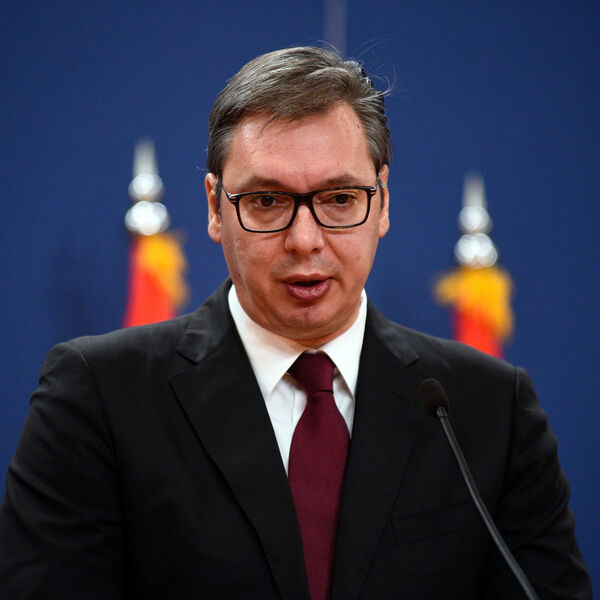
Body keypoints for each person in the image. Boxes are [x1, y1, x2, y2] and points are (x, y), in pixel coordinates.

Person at [0, 46, 591, 599]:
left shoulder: (489, 410)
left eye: (339, 199)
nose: (305, 240)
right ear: (214, 207)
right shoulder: (99, 396)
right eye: (267, 201)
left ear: (382, 202)